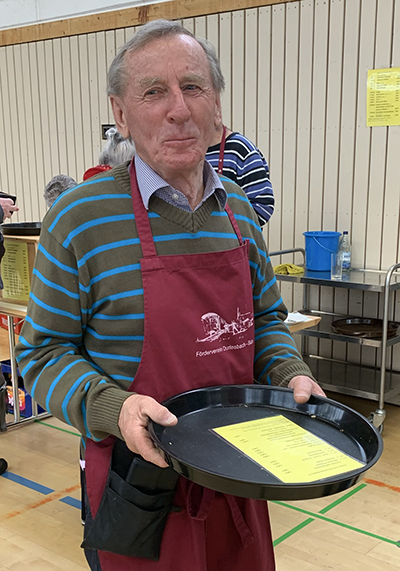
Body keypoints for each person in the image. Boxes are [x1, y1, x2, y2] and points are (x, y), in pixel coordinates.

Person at [15, 19, 325, 571]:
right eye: (154, 91)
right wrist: (116, 408)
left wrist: (289, 374)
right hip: (138, 487)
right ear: (121, 114)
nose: (178, 109)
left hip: (240, 474)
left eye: (193, 86)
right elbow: (41, 354)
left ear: (216, 105)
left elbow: (265, 320)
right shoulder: (79, 219)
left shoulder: (238, 210)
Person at [205, 123, 275, 226]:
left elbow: (263, 206)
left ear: (217, 115)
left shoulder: (240, 150)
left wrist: (222, 230)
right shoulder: (188, 152)